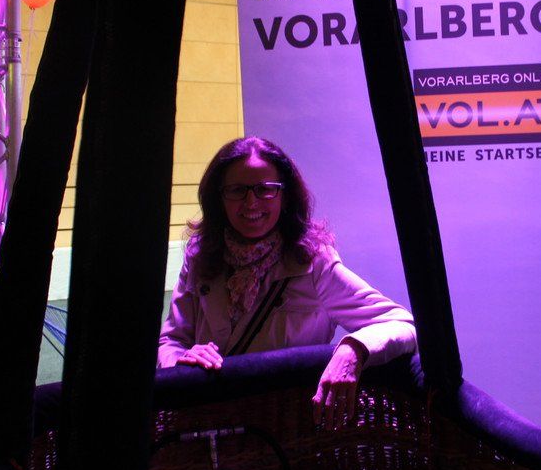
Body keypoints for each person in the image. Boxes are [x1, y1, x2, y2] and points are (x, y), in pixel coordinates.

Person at [158, 136, 417, 429]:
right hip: (207, 431)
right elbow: (171, 341)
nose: (251, 202)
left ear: (285, 196)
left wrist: (352, 350)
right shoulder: (200, 257)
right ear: (219, 197)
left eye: (265, 189)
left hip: (285, 431)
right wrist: (180, 364)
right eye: (237, 190)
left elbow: (402, 324)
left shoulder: (313, 263)